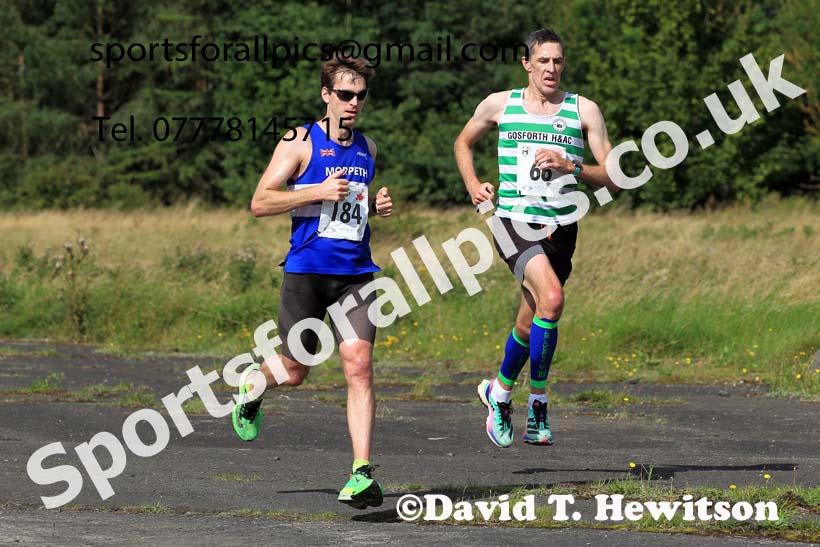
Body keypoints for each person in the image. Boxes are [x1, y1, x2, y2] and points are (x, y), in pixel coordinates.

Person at [232, 56, 393, 509]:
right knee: (297, 371)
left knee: (359, 366)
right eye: (345, 94)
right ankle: (254, 385)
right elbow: (260, 202)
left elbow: (350, 211)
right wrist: (316, 191)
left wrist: (374, 205)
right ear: (326, 95)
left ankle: (361, 472)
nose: (354, 102)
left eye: (360, 94)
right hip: (306, 273)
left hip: (357, 275)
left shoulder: (368, 148)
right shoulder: (299, 140)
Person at [454, 28, 620, 448]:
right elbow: (462, 142)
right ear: (527, 63)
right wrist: (474, 184)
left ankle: (499, 391)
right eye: (543, 61)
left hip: (562, 228)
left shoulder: (585, 111)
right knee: (553, 299)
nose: (551, 69)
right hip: (513, 222)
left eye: (558, 61)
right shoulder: (500, 104)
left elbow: (615, 179)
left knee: (530, 323)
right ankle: (539, 405)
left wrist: (573, 167)